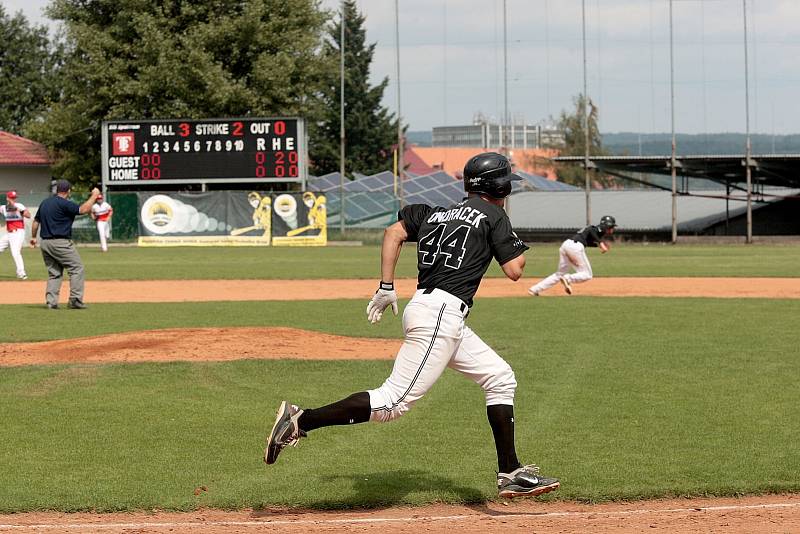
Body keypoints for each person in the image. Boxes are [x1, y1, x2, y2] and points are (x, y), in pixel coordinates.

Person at [264, 152, 560, 499]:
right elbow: (515, 270)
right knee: (391, 403)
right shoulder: (493, 214)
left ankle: (510, 471)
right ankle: (301, 420)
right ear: (499, 186)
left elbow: (393, 232)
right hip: (440, 315)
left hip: (431, 309)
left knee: (499, 376)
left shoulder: (434, 211)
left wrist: (387, 286)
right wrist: (506, 233)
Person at [30, 180, 100, 309]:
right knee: (76, 268)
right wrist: (94, 196)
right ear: (68, 191)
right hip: (60, 242)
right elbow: (83, 209)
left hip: (45, 242)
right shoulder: (65, 204)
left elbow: (35, 222)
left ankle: (51, 302)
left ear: (57, 190)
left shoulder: (45, 203)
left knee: (54, 273)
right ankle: (75, 300)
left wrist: (33, 237)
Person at [528, 215, 617, 296]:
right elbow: (590, 230)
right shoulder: (597, 229)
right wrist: (601, 243)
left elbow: (586, 240)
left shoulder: (598, 232)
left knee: (559, 274)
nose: (613, 229)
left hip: (566, 245)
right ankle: (568, 279)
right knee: (587, 275)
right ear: (607, 226)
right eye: (612, 227)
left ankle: (534, 290)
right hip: (575, 247)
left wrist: (598, 245)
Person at [0, 190, 30, 279]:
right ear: (7, 198)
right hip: (9, 234)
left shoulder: (19, 206)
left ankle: (21, 273)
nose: (13, 199)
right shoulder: (4, 208)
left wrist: (20, 211)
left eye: (14, 198)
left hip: (18, 232)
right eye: (11, 198)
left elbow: (28, 215)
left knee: (15, 252)